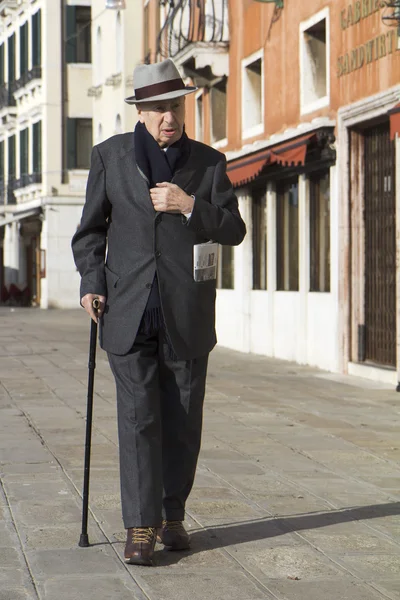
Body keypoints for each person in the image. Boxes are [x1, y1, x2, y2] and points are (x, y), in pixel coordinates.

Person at [71, 58, 246, 566]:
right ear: (141, 112)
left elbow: (233, 229)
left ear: (183, 105)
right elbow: (90, 233)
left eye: (174, 105)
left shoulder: (209, 164)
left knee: (183, 419)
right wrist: (91, 283)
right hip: (125, 310)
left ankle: (172, 515)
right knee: (138, 417)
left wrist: (190, 205)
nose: (168, 116)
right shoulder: (110, 157)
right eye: (157, 108)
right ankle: (140, 526)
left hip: (186, 314)